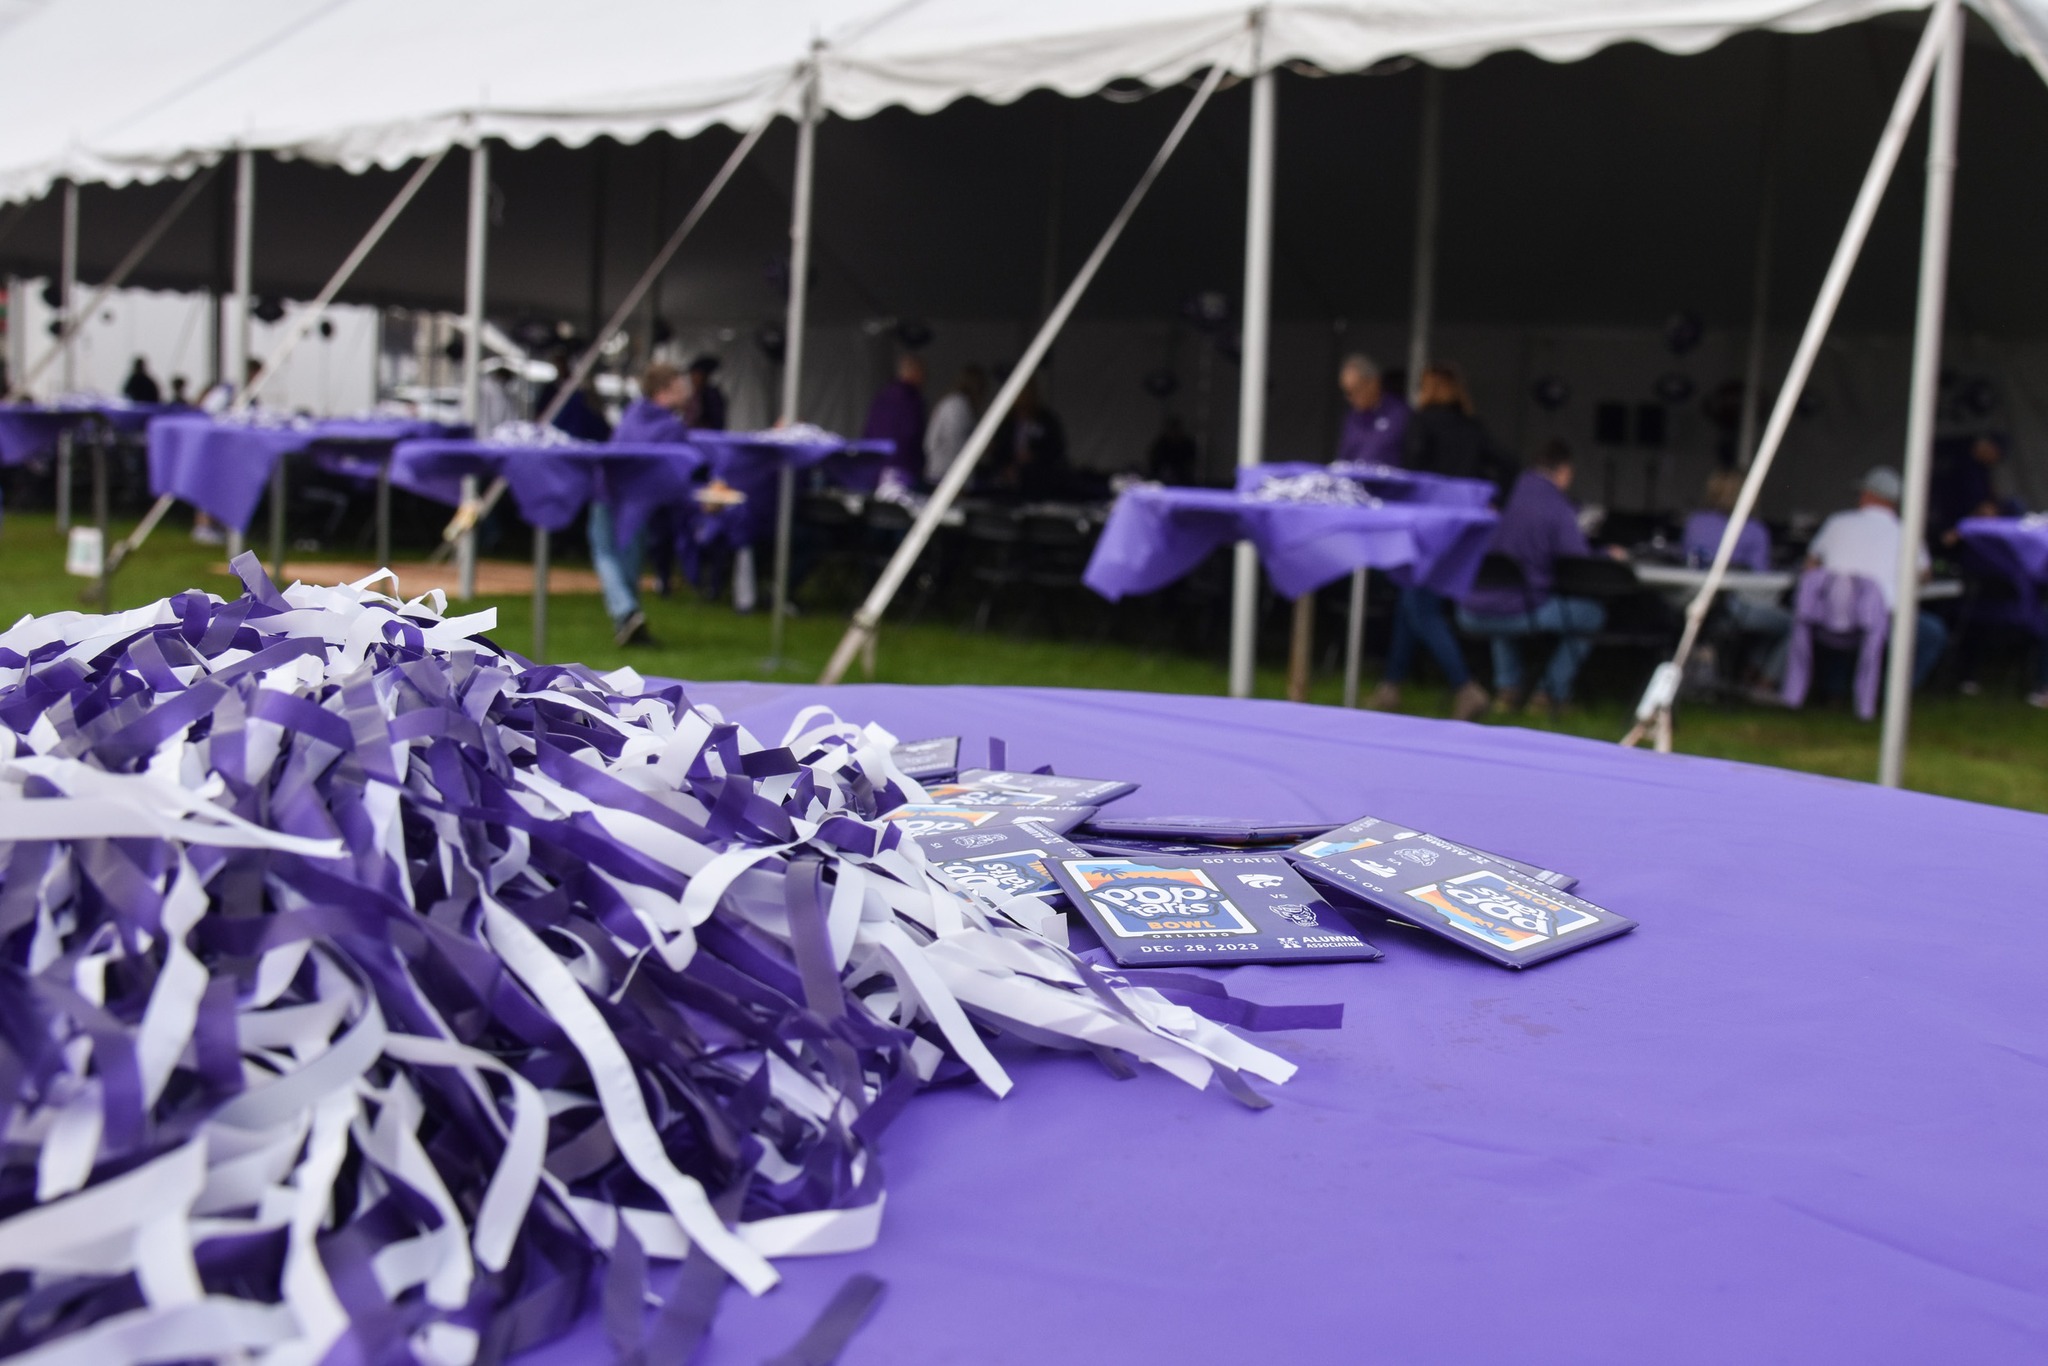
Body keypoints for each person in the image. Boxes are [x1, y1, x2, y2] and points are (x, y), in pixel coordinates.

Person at [1456, 441, 1609, 714]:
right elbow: (1577, 558)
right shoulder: (1556, 506)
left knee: (1504, 596)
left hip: (1469, 608)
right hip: (1518, 609)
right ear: (1563, 472)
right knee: (1591, 615)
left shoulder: (1504, 493)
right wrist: (1607, 554)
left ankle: (1507, 690)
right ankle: (1548, 694)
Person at [1805, 466, 1947, 689]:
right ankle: (1891, 692)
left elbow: (1811, 567)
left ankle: (1835, 690)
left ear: (1868, 495)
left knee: (1839, 621)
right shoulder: (1904, 532)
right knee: (1932, 632)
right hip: (1884, 618)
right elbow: (1924, 575)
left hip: (1833, 617)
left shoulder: (1837, 522)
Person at [591, 361, 691, 647]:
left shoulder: (633, 412)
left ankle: (629, 620)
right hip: (630, 496)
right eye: (680, 386)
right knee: (615, 554)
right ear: (664, 390)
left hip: (610, 490)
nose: (686, 391)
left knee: (612, 554)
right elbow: (678, 468)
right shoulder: (670, 426)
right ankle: (627, 612)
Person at [1685, 470, 1791, 687]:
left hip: (1694, 601)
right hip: (1736, 608)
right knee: (1794, 624)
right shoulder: (1755, 530)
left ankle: (1749, 671)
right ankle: (1763, 679)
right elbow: (1760, 579)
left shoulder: (1695, 522)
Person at [1405, 361, 1518, 497]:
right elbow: (1509, 463)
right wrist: (1494, 499)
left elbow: (1411, 465)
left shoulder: (1422, 422)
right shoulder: (1473, 426)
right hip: (1465, 505)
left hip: (1431, 505)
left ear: (1428, 389)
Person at [992, 374, 1068, 499]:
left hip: (1040, 485)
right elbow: (998, 450)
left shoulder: (1046, 420)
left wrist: (1035, 457)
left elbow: (1057, 450)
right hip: (1008, 488)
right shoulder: (1008, 422)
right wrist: (1006, 469)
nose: (1022, 397)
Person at [862, 352, 926, 487]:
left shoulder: (882, 395)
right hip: (902, 467)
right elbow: (912, 432)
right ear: (914, 371)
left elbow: (868, 430)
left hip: (876, 467)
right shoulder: (911, 399)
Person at [1334, 353, 1409, 467]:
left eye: (1355, 390)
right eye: (1347, 392)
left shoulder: (1400, 414)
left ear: (1374, 383)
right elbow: (1344, 458)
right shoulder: (1352, 418)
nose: (1350, 398)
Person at [925, 365, 987, 486]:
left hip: (944, 470)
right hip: (948, 473)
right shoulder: (958, 405)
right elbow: (955, 441)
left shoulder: (952, 403)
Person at [1145, 413, 1198, 485]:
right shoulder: (1161, 443)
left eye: (1177, 430)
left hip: (1183, 477)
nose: (1174, 433)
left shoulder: (1187, 444)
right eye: (1172, 430)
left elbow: (1191, 461)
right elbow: (1154, 460)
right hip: (1163, 477)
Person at [685, 354, 728, 431]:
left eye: (697, 375)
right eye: (692, 375)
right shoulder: (694, 393)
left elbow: (717, 419)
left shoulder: (711, 395)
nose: (693, 378)